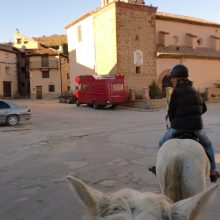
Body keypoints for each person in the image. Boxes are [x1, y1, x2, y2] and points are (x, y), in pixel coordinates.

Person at [149, 64, 220, 182]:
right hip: (196, 129)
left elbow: (171, 113)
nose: (171, 80)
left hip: (178, 128)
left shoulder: (176, 92)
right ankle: (213, 172)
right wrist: (194, 116)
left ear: (179, 78)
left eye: (173, 77)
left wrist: (175, 122)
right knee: (208, 145)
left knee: (161, 143)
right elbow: (204, 109)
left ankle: (158, 167)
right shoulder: (195, 91)